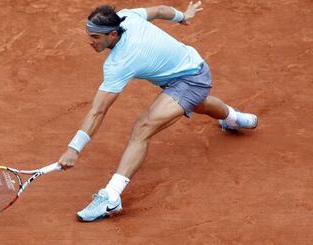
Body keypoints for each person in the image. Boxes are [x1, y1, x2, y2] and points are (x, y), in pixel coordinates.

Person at [58, 1, 258, 222]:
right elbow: (161, 11)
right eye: (89, 35)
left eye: (95, 37)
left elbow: (98, 111)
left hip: (190, 79)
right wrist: (183, 16)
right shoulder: (127, 16)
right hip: (193, 64)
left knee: (142, 128)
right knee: (198, 104)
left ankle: (111, 197)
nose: (90, 41)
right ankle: (233, 119)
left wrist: (74, 149)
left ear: (113, 34)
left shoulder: (120, 62)